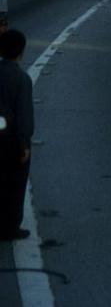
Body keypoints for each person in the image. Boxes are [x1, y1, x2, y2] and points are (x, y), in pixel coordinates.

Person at [0, 29, 33, 240]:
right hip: (9, 141)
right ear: (20, 52)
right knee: (14, 184)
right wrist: (24, 145)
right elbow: (23, 115)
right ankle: (10, 227)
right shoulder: (21, 78)